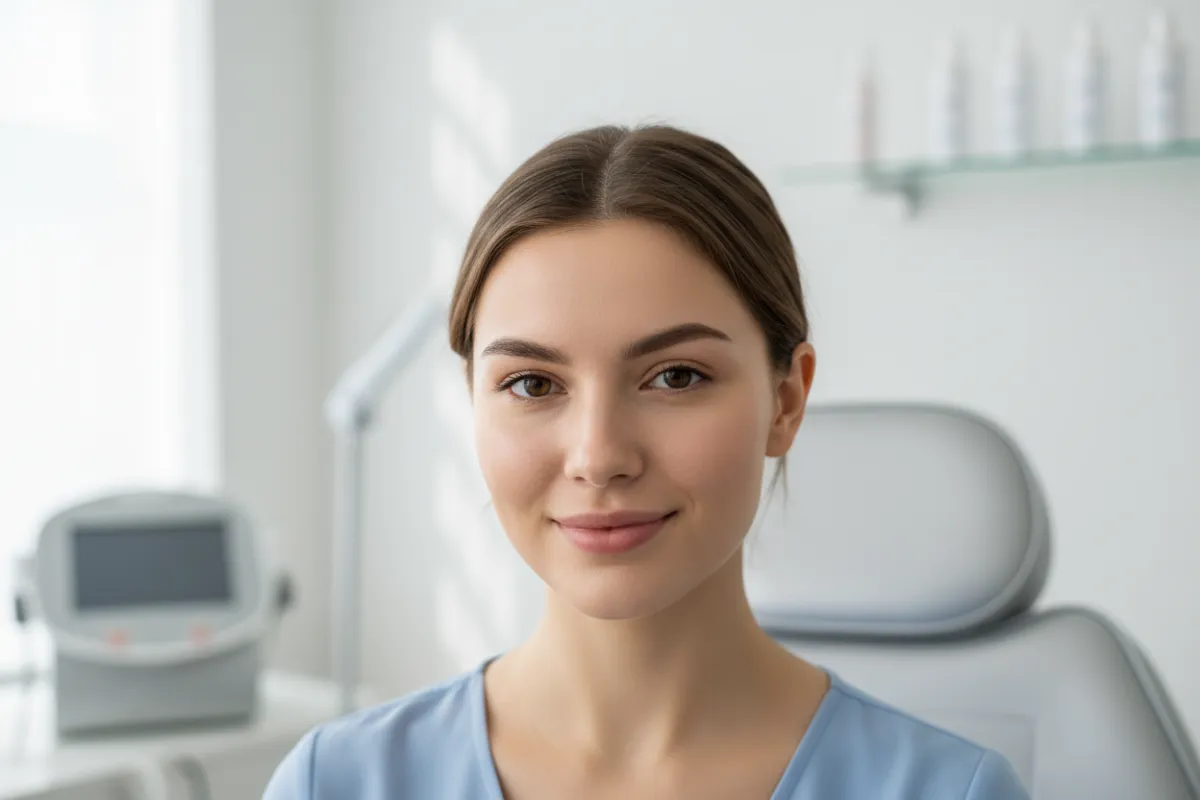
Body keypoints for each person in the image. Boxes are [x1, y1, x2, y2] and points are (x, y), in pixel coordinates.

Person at [264, 124, 1028, 799]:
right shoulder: (335, 783)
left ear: (787, 400)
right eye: (532, 384)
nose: (598, 457)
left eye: (676, 377)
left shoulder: (948, 792)